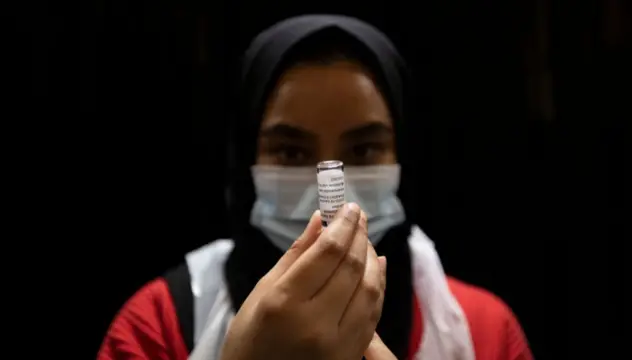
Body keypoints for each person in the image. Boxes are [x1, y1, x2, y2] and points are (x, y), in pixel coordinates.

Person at [98, 15, 534, 360]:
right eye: (290, 153)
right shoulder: (160, 324)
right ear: (245, 160)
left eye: (363, 151)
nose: (333, 193)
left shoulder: (482, 332)